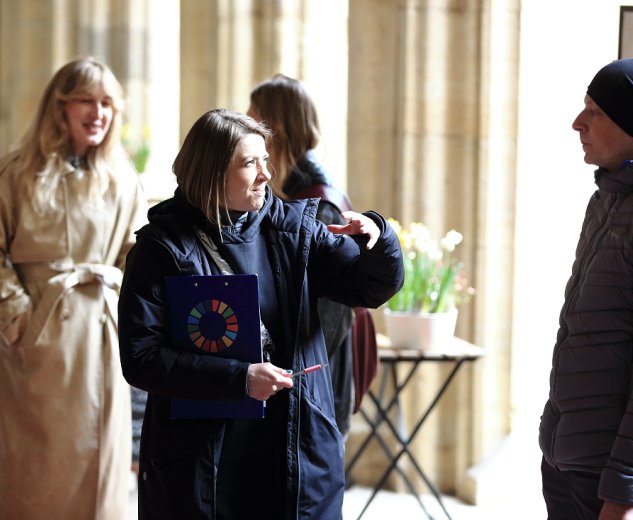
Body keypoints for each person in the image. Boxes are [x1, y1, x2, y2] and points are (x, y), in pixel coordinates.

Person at [117, 108, 404, 519]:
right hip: (203, 458)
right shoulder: (161, 248)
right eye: (250, 163)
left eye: (265, 159)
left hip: (295, 446)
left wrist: (379, 239)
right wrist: (239, 379)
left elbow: (369, 289)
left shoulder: (295, 230)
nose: (267, 174)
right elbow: (141, 358)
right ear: (212, 172)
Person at [0, 57, 148, 519]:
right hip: (36, 341)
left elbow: (138, 258)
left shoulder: (123, 178)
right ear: (59, 107)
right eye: (86, 100)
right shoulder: (16, 174)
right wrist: (18, 317)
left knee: (100, 473)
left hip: (102, 338)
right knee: (35, 473)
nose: (97, 113)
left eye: (106, 103)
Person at [539, 58, 633, 520]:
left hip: (605, 480)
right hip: (566, 462)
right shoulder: (605, 200)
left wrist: (622, 495)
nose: (578, 123)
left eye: (594, 111)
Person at [248, 73, 356, 436]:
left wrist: (291, 374)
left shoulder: (320, 204)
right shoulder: (287, 190)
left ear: (274, 127)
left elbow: (330, 317)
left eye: (252, 120)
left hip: (313, 381)